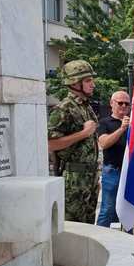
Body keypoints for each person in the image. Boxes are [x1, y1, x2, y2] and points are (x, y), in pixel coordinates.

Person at [47, 60, 100, 224]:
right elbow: (50, 143)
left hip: (89, 177)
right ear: (75, 83)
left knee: (89, 227)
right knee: (74, 227)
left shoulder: (85, 107)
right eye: (88, 80)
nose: (93, 84)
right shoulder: (64, 108)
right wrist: (83, 133)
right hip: (74, 179)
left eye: (92, 80)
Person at [96, 90, 134, 229]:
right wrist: (122, 129)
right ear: (112, 104)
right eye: (120, 103)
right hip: (113, 172)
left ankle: (127, 241)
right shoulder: (105, 122)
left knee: (128, 211)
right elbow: (104, 143)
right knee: (108, 210)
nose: (123, 106)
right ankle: (101, 239)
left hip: (131, 173)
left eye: (127, 104)